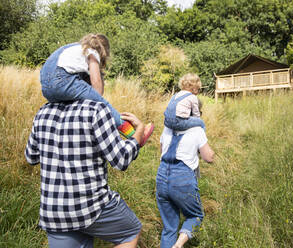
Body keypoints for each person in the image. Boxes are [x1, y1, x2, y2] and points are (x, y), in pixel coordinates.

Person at [25, 94, 145, 246]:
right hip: (90, 207)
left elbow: (31, 157)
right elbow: (121, 160)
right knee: (131, 232)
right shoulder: (96, 109)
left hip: (54, 211)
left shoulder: (43, 110)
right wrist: (139, 133)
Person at [40, 33, 153, 146]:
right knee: (103, 105)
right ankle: (135, 134)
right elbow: (97, 87)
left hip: (46, 88)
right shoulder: (91, 51)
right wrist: (98, 96)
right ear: (103, 51)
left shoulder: (72, 48)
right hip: (63, 80)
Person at [156, 99, 215, 248]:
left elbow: (161, 150)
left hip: (162, 176)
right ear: (196, 113)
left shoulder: (167, 128)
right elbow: (208, 158)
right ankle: (179, 244)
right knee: (195, 215)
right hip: (182, 177)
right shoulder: (197, 130)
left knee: (169, 227)